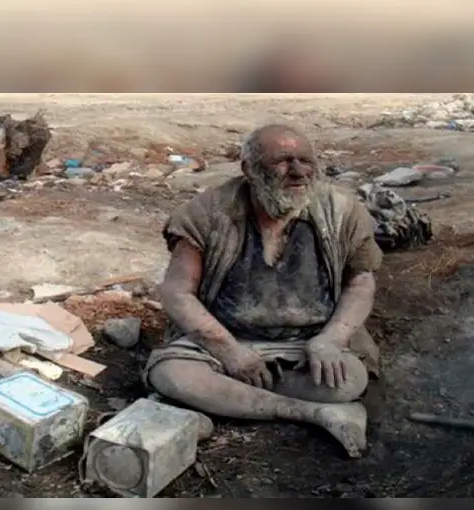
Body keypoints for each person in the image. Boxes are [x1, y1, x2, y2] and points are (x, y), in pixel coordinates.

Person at [145, 124, 383, 457]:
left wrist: (332, 340)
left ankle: (233, 399)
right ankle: (315, 414)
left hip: (307, 343)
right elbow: (177, 292)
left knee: (347, 380)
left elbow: (361, 281)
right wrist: (230, 352)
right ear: (249, 169)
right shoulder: (207, 212)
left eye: (306, 160)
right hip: (226, 339)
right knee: (172, 375)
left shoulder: (342, 210)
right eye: (283, 161)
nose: (298, 172)